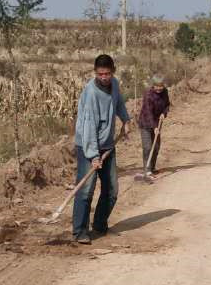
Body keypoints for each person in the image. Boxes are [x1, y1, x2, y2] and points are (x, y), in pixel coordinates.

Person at [72, 54, 130, 244]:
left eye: (107, 73)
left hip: (107, 145)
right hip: (88, 146)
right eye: (100, 74)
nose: (104, 77)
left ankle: (99, 225)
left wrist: (125, 119)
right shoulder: (91, 94)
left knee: (112, 189)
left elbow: (118, 102)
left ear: (113, 71)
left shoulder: (114, 84)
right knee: (86, 190)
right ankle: (80, 230)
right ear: (95, 72)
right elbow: (88, 128)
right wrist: (93, 156)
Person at [138, 74, 170, 179]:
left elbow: (167, 105)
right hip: (146, 123)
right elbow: (148, 113)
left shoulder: (165, 92)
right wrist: (155, 127)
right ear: (153, 85)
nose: (159, 88)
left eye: (161, 86)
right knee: (147, 147)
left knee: (156, 147)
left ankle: (152, 168)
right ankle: (147, 171)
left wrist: (164, 113)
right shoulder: (148, 94)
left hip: (157, 121)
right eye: (157, 86)